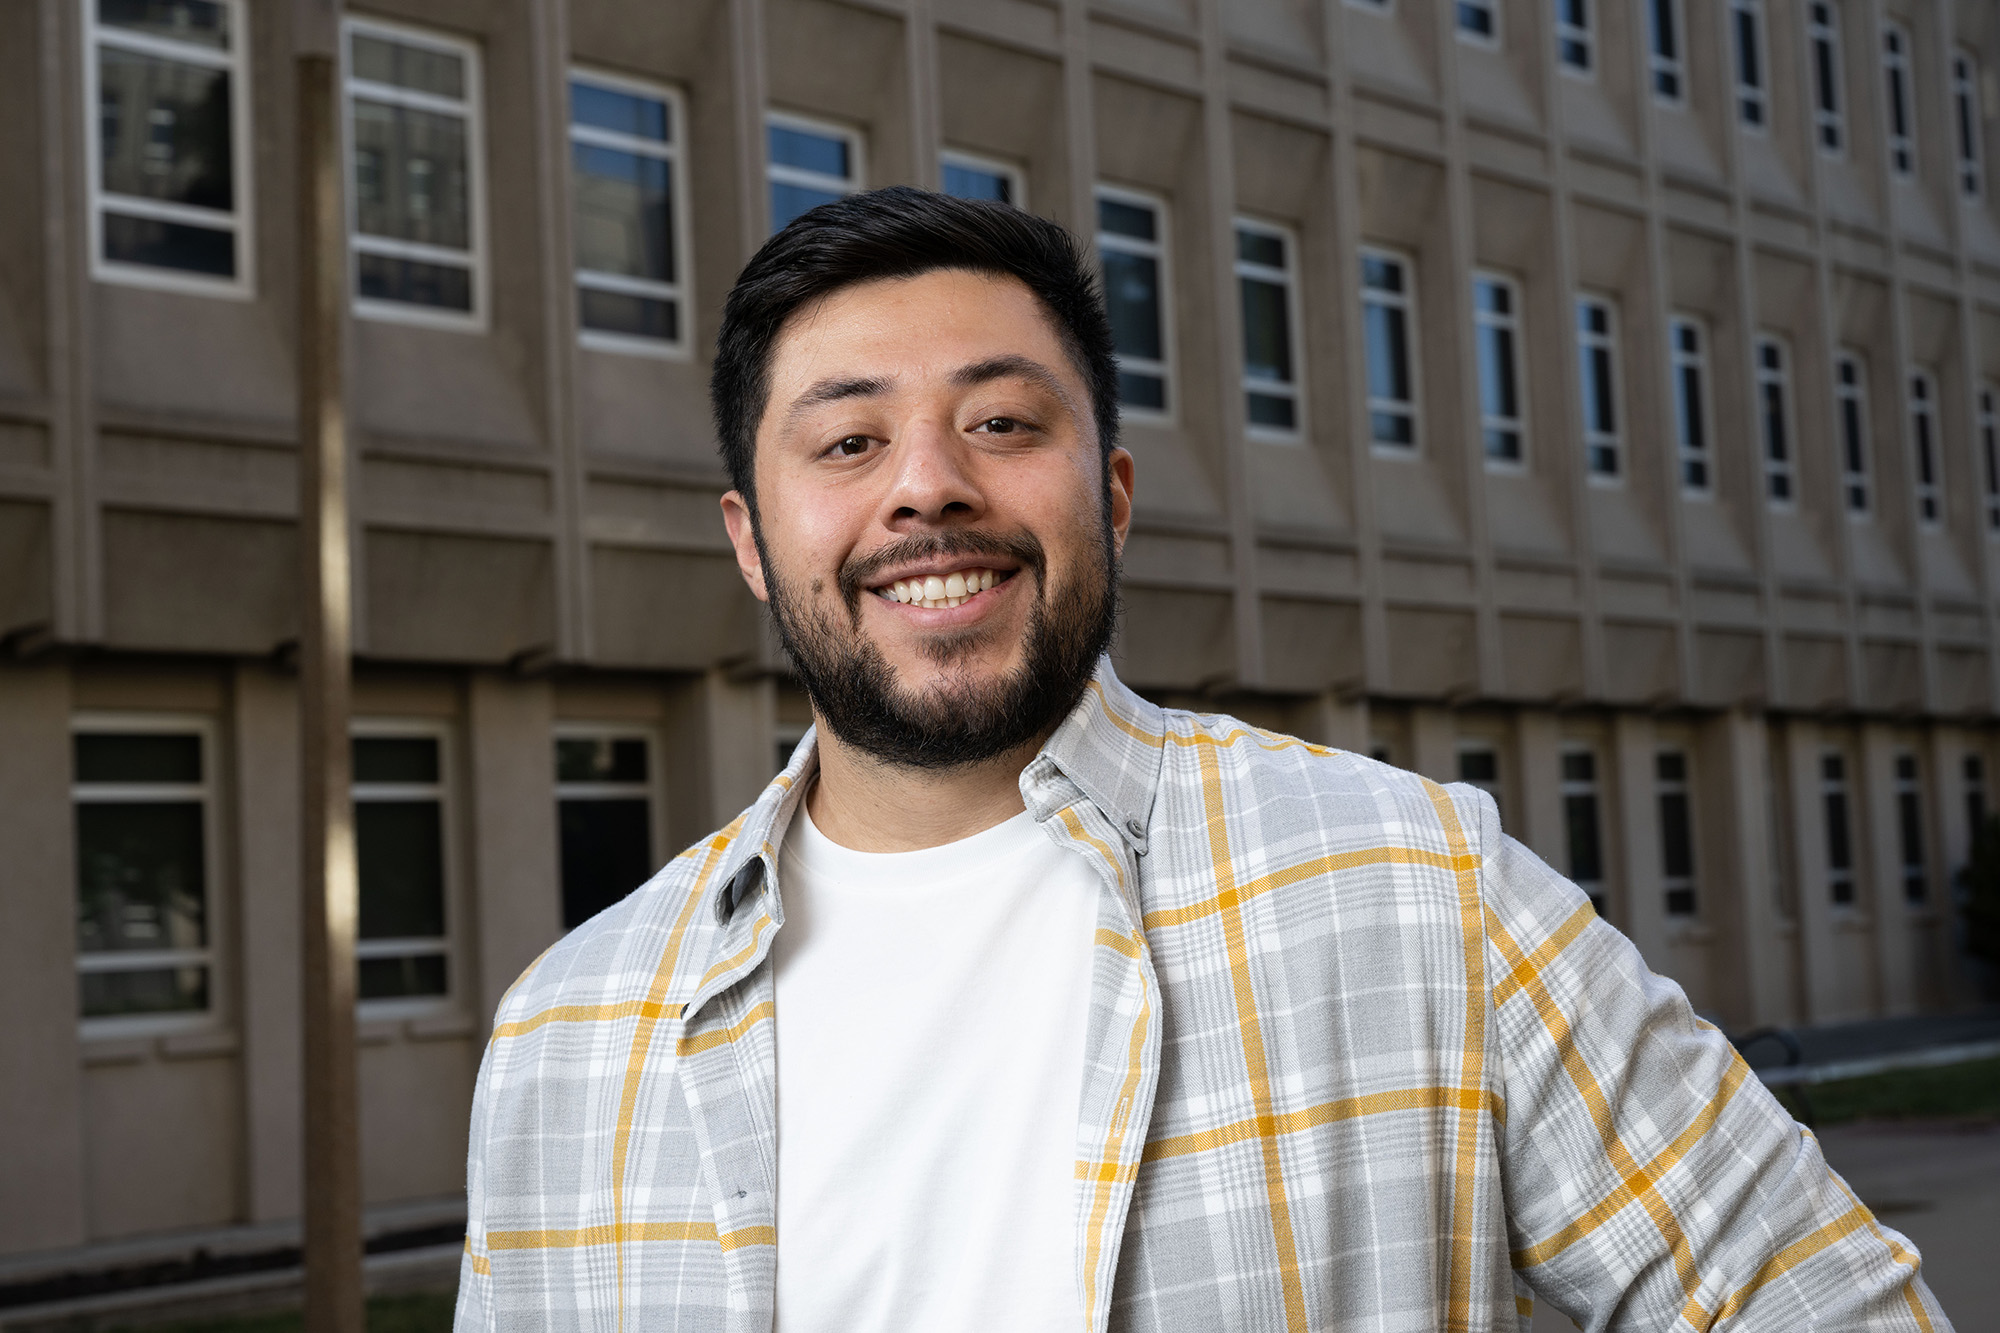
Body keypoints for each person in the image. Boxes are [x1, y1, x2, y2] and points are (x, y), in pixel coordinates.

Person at [454, 187, 1949, 1331]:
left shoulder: (1420, 887)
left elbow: (1819, 1297)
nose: (927, 485)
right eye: (847, 444)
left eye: (1000, 419)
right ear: (752, 543)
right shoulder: (572, 1037)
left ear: (1110, 490)